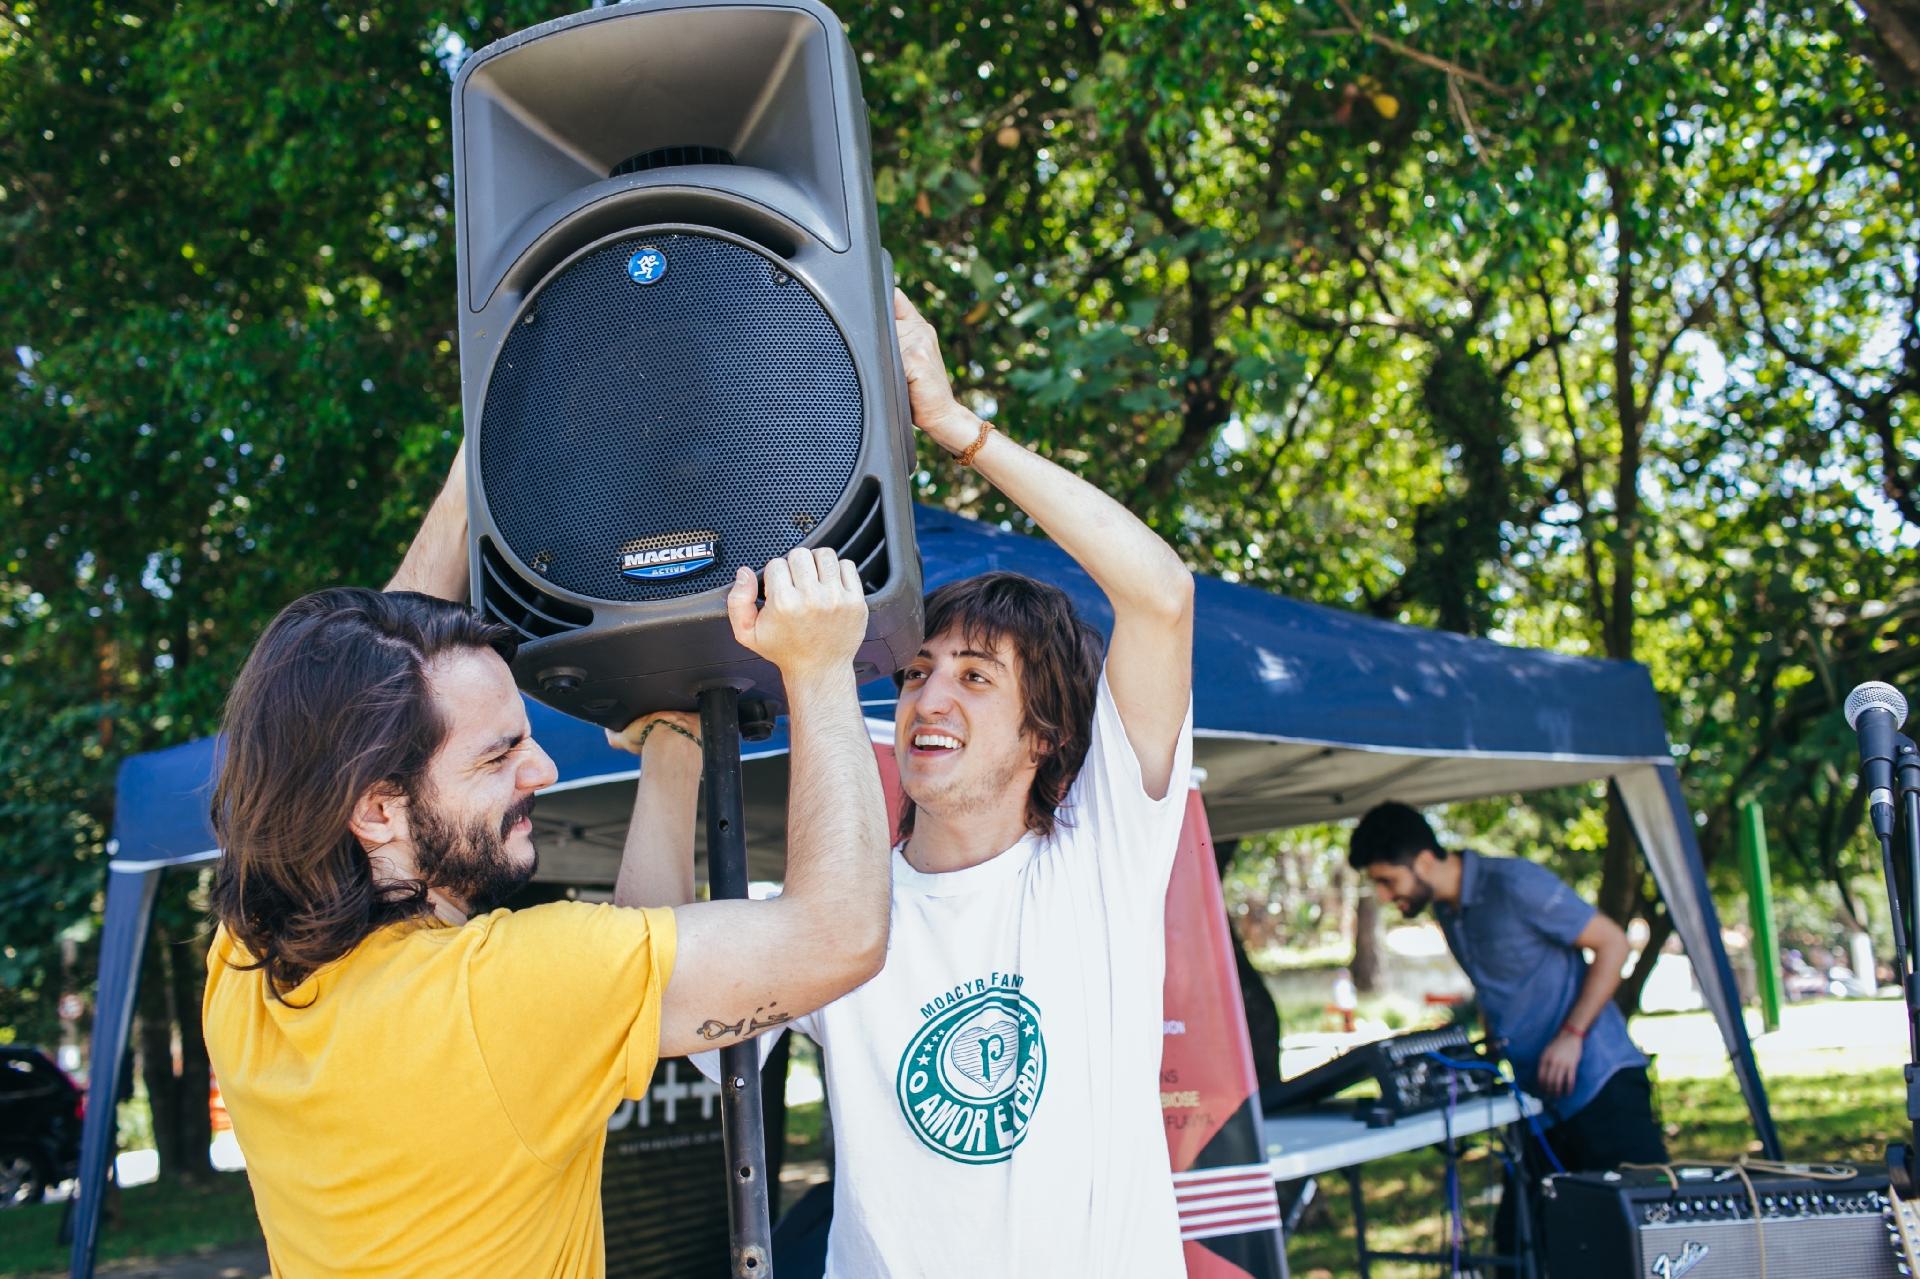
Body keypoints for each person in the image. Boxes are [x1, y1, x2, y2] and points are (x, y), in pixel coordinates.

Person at [201, 449, 893, 1278]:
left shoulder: (246, 972)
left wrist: (475, 476)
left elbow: (355, 683)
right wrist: (818, 666)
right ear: (377, 809)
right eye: (499, 757)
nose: (543, 770)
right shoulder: (497, 993)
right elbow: (840, 932)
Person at [619, 289, 1197, 1276]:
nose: (931, 697)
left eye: (977, 678)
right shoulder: (838, 917)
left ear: (1044, 736)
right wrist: (672, 742)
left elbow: (1160, 592)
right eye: (917, 670)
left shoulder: (1102, 852)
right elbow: (644, 999)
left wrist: (957, 429)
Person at [1347, 801, 1667, 1270]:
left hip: (1602, 1087)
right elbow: (1501, 983)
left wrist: (1572, 1034)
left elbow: (1612, 942)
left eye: (1387, 880)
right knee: (1518, 1248)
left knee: (1641, 1246)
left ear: (1423, 860)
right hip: (1539, 1103)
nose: (1384, 894)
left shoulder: (1515, 883)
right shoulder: (1450, 913)